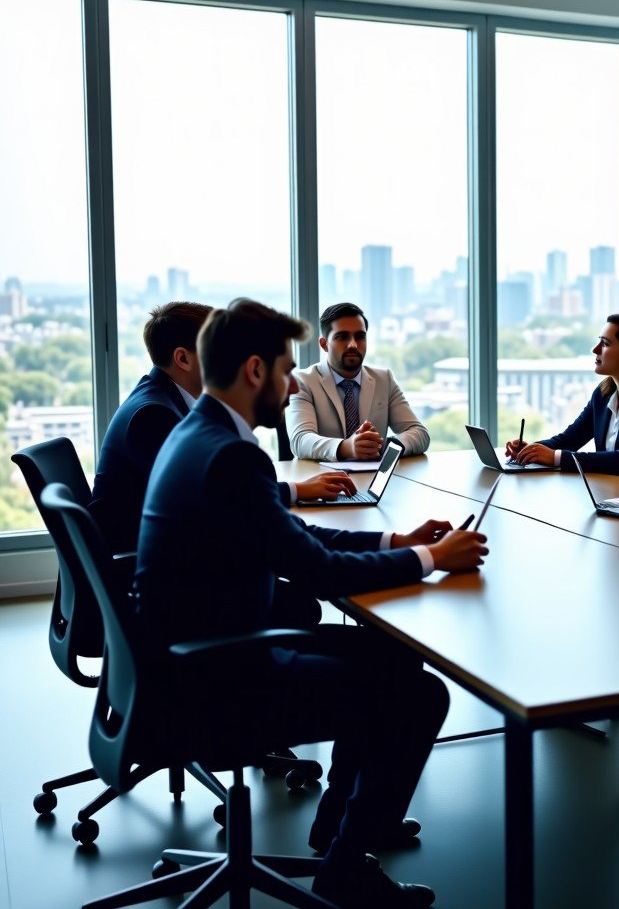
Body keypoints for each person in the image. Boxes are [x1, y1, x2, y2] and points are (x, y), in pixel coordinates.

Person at [134, 298, 488, 909]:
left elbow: (292, 535)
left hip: (195, 650)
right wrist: (431, 559)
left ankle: (342, 832)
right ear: (254, 370)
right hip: (216, 675)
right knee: (419, 695)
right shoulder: (230, 452)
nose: (294, 383)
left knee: (390, 652)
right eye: (285, 370)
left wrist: (396, 541)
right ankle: (347, 864)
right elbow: (318, 570)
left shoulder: (201, 432)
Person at [90, 301, 353, 556]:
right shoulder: (154, 415)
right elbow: (218, 499)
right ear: (182, 358)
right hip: (140, 553)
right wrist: (293, 491)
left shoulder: (166, 400)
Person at [505, 312, 619, 480]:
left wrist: (556, 457)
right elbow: (570, 439)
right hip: (609, 490)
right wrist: (531, 449)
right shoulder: (603, 394)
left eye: (605, 344)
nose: (595, 349)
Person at [287, 302, 429, 462]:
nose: (353, 345)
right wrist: (346, 447)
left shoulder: (384, 379)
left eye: (360, 337)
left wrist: (389, 446)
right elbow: (300, 440)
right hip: (322, 476)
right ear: (324, 344)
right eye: (342, 337)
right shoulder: (303, 382)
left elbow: (420, 433)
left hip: (374, 475)